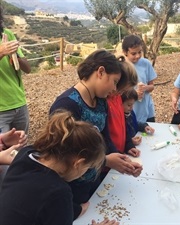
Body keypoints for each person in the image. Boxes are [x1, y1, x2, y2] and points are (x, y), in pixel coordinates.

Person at [50, 50, 142, 219]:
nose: (115, 89)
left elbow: (104, 137)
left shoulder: (100, 101)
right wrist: (106, 160)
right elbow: (63, 156)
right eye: (114, 82)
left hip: (94, 178)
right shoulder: (67, 105)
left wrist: (121, 160)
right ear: (100, 72)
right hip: (72, 186)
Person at [0, 111, 119, 225]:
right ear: (78, 163)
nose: (84, 173)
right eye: (87, 168)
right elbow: (51, 199)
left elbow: (36, 201)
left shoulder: (26, 154)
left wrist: (77, 210)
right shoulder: (58, 192)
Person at [0, 3, 31, 134]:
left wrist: (16, 55)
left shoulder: (7, 34)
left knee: (21, 150)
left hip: (19, 103)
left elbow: (28, 69)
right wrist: (1, 52)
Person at [106, 56, 141, 157]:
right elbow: (106, 136)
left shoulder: (117, 97)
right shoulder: (105, 101)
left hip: (120, 154)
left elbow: (123, 125)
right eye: (123, 90)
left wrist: (128, 145)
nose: (123, 93)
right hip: (110, 159)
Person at [122, 34, 157, 123]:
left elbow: (152, 86)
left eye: (140, 52)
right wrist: (134, 94)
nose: (137, 56)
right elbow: (118, 93)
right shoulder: (121, 67)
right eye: (133, 53)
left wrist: (145, 88)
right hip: (130, 111)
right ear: (125, 52)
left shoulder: (146, 63)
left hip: (146, 110)